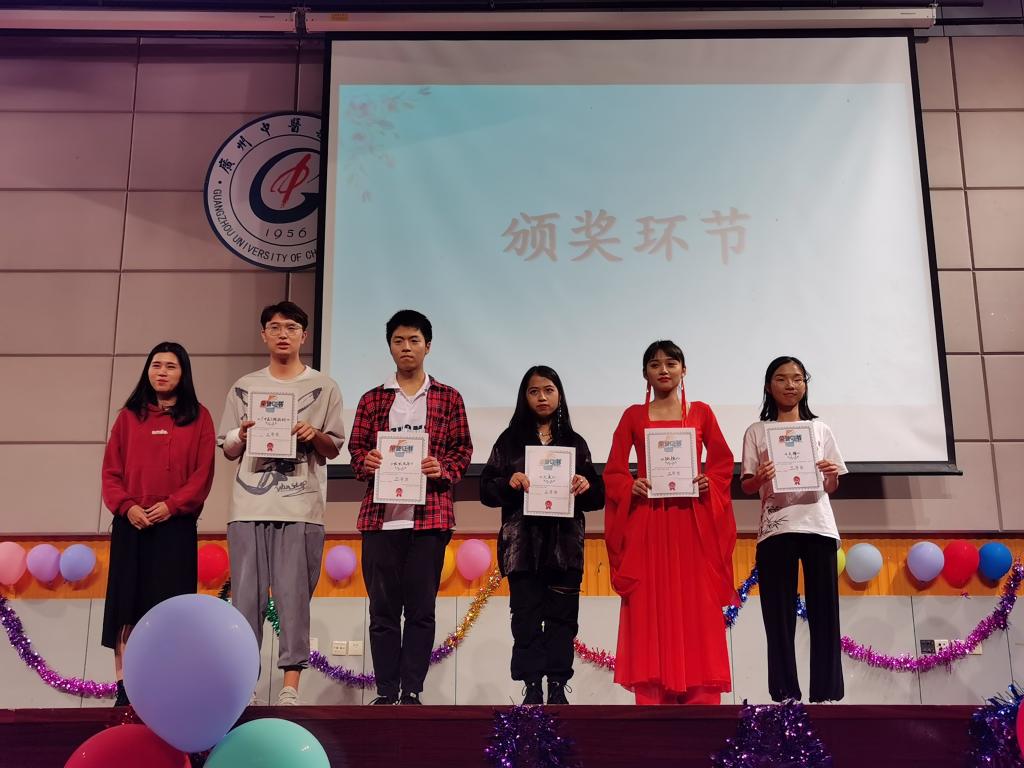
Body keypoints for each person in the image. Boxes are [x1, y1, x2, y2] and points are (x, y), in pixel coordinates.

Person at [218, 301, 345, 706]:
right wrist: (242, 433)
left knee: (294, 601)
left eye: (291, 327)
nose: (283, 334)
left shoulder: (324, 387)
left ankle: (291, 686)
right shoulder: (245, 386)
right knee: (245, 601)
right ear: (264, 335)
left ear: (304, 335)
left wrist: (313, 434)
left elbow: (333, 447)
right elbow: (228, 448)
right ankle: (246, 685)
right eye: (274, 327)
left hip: (301, 509)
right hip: (248, 508)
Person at [603, 340, 737, 705]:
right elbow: (614, 470)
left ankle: (700, 700)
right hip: (649, 525)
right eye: (655, 364)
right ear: (645, 373)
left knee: (697, 605)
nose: (663, 370)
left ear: (683, 370)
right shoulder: (633, 416)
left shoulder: (702, 413)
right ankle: (653, 701)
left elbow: (723, 463)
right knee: (650, 606)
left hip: (692, 525)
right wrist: (631, 486)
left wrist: (710, 482)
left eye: (671, 363)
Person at [349, 310, 472, 705]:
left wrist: (443, 468)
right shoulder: (372, 399)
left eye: (414, 340)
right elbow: (356, 451)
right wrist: (366, 461)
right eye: (399, 340)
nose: (406, 347)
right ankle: (386, 691)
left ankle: (412, 691)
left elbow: (462, 450)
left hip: (429, 519)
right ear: (390, 346)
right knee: (383, 612)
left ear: (427, 346)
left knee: (421, 611)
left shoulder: (448, 397)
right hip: (380, 520)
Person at [480, 366, 605, 705]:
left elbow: (598, 496)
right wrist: (508, 483)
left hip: (565, 547)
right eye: (534, 391)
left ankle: (557, 687)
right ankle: (532, 686)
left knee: (563, 619)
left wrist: (586, 485)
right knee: (526, 619)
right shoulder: (508, 441)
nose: (542, 397)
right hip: (522, 548)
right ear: (524, 397)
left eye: (548, 390)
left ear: (559, 395)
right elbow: (485, 490)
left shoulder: (575, 443)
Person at [101, 342, 216, 707]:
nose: (162, 372)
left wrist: (172, 506)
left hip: (175, 528)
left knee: (170, 611)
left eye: (170, 366)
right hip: (131, 526)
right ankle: (125, 689)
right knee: (126, 608)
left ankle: (166, 686)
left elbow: (202, 475)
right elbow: (110, 473)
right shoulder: (128, 417)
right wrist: (127, 507)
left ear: (183, 373)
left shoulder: (199, 417)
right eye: (156, 365)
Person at [740, 356, 846, 703]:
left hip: (818, 527)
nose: (790, 385)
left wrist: (830, 474)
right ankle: (786, 695)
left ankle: (826, 694)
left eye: (798, 378)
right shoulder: (757, 431)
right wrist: (761, 477)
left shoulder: (820, 429)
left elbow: (831, 486)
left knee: (825, 612)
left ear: (805, 385)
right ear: (768, 386)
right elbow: (746, 485)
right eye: (782, 379)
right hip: (776, 529)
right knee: (778, 615)